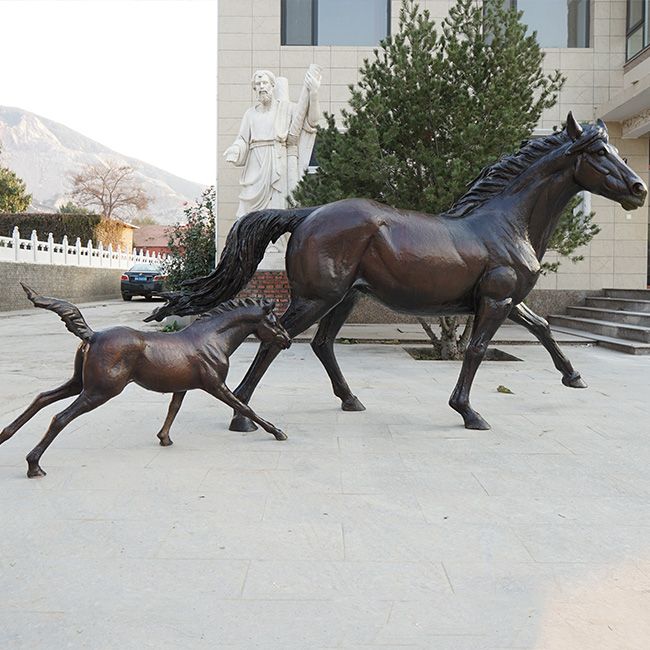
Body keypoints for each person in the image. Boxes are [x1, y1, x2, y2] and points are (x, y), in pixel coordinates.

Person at [224, 66, 322, 218]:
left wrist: (314, 93)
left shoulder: (286, 109)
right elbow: (242, 139)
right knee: (246, 214)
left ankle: (278, 243)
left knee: (278, 211)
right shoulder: (250, 114)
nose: (261, 87)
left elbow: (313, 121)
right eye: (257, 84)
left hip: (278, 162)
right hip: (255, 166)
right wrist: (236, 149)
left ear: (273, 85)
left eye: (264, 83)